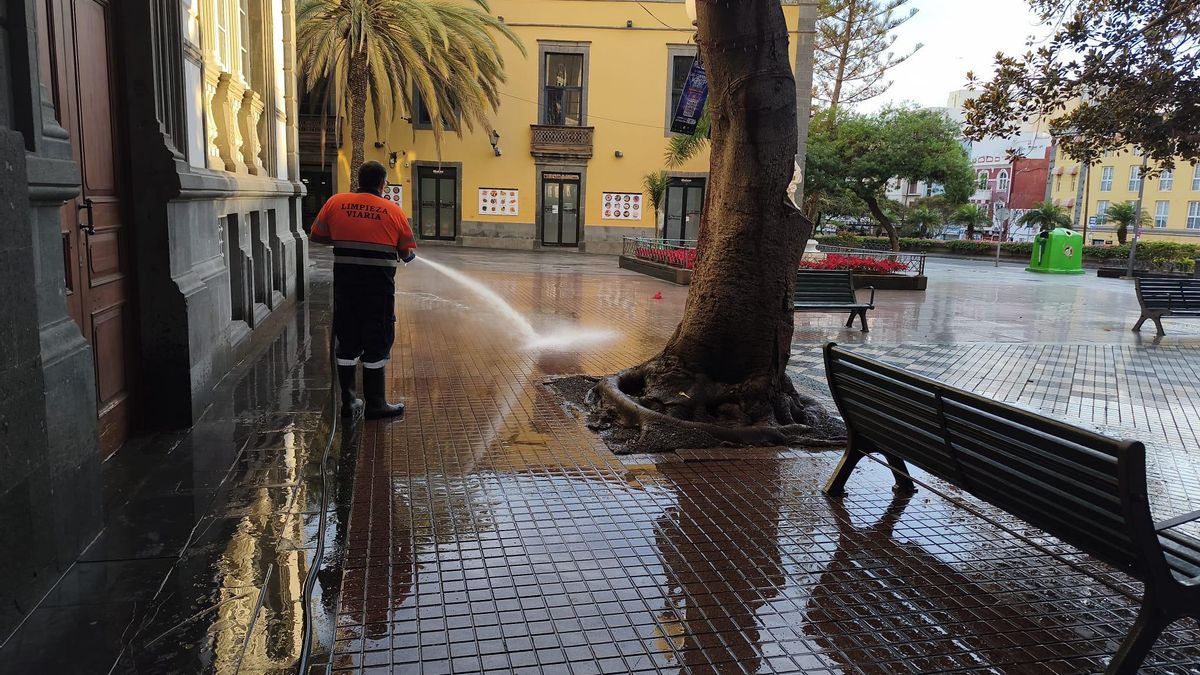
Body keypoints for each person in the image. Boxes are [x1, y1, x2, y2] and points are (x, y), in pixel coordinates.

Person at [309, 161, 416, 420]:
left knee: (347, 342)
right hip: (378, 291)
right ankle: (376, 404)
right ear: (382, 183)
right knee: (377, 341)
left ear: (360, 179)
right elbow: (406, 251)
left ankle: (348, 402)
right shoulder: (393, 210)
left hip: (346, 288)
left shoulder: (335, 203)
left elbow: (318, 236)